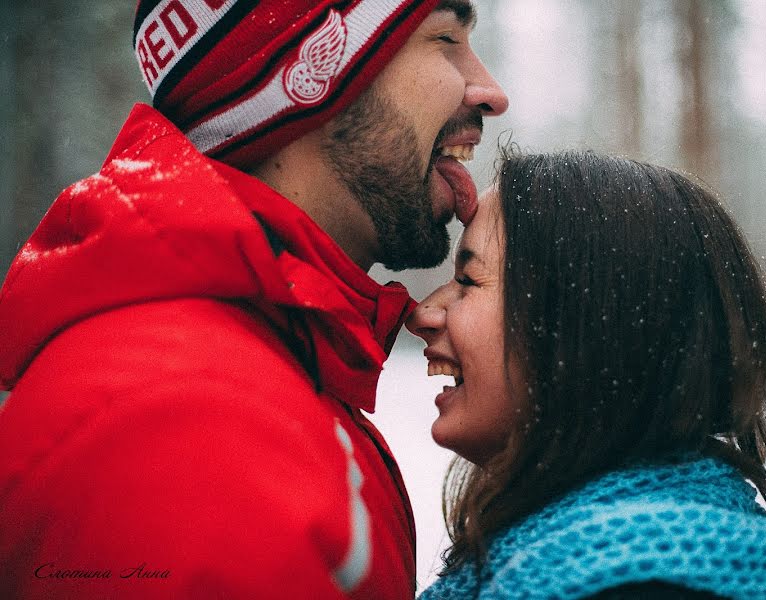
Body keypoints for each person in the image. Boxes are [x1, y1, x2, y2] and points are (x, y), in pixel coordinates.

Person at [0, 1, 507, 598]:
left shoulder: (264, 363)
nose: (491, 92)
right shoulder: (182, 427)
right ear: (311, 76)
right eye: (444, 37)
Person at [408, 149, 766, 599]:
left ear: (585, 325)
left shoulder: (642, 584)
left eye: (468, 280)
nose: (423, 312)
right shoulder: (585, 560)